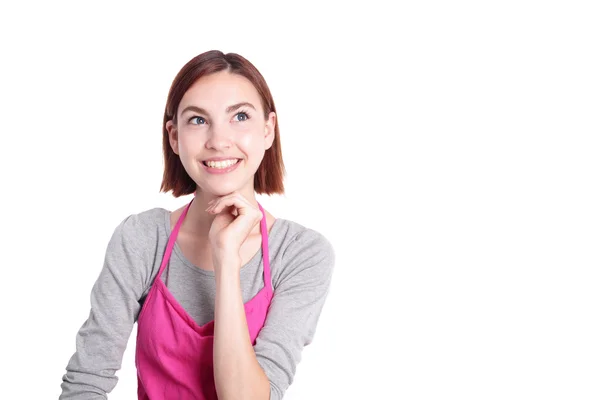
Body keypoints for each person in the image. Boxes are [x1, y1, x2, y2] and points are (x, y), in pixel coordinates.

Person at [59, 50, 335, 400]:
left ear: (268, 131)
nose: (219, 141)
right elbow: (86, 383)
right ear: (174, 137)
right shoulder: (143, 239)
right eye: (198, 121)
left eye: (239, 116)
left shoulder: (301, 253)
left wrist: (226, 259)